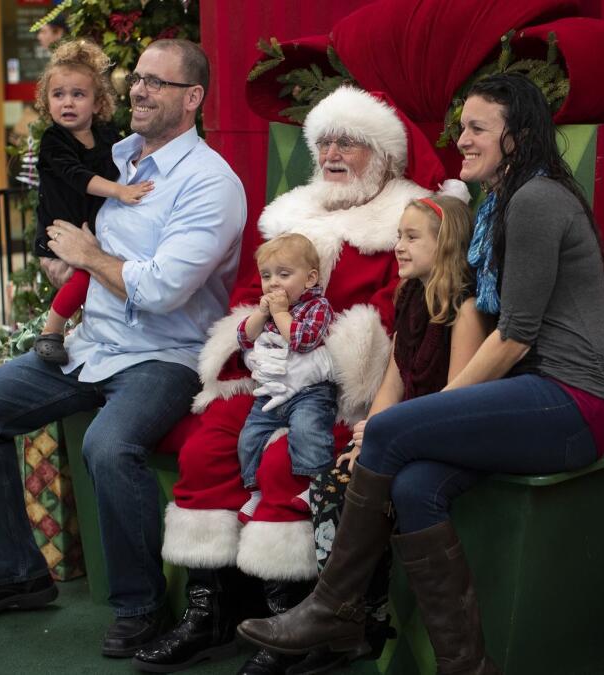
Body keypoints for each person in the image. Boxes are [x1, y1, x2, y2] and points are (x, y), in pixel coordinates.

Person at [236, 73, 604, 674]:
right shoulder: (501, 202)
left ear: (516, 138)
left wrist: (425, 415)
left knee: (391, 433)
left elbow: (515, 338)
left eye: (477, 129)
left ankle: (334, 605)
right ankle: (466, 667)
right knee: (416, 488)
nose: (462, 139)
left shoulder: (536, 199)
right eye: (461, 126)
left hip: (573, 404)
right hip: (528, 400)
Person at [0, 39, 246, 662]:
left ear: (193, 99)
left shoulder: (211, 182)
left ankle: (140, 606)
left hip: (166, 355)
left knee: (109, 444)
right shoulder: (119, 158)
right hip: (90, 343)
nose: (140, 90)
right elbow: (71, 220)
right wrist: (71, 272)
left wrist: (87, 257)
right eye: (138, 78)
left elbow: (160, 290)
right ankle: (14, 575)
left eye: (158, 83)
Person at [134, 86, 451, 675]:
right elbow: (248, 296)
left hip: (346, 389)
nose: (332, 152)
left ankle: (296, 621)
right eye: (324, 140)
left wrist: (316, 355)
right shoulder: (294, 211)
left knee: (286, 465)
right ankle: (211, 611)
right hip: (268, 374)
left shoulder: (403, 222)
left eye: (349, 142)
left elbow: (396, 313)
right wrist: (254, 332)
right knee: (206, 447)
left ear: (382, 155)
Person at [295, 192, 485, 674]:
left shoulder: (465, 310)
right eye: (398, 235)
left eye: (411, 237)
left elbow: (456, 406)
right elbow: (395, 380)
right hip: (406, 433)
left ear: (446, 244)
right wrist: (366, 440)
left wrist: (386, 449)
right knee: (332, 485)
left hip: (445, 438)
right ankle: (354, 622)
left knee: (377, 486)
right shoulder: (410, 297)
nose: (398, 246)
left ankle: (360, 621)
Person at [31, 39, 154, 365]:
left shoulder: (106, 135)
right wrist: (120, 192)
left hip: (92, 227)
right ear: (47, 101)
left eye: (78, 94)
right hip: (60, 229)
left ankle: (83, 330)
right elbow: (76, 176)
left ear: (98, 103)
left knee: (101, 276)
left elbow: (126, 158)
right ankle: (51, 331)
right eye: (58, 95)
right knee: (87, 276)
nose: (67, 103)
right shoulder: (54, 141)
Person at [236, 234, 336, 519]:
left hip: (309, 392)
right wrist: (261, 313)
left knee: (309, 430)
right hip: (271, 390)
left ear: (310, 278)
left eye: (284, 274)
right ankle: (255, 491)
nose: (273, 283)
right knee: (249, 436)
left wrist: (279, 313)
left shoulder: (318, 307)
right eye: (266, 276)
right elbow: (243, 337)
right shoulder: (267, 311)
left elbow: (302, 340)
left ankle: (316, 484)